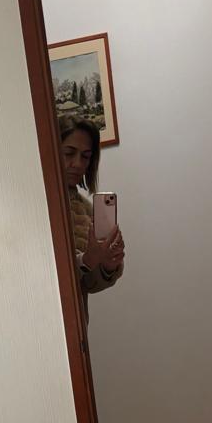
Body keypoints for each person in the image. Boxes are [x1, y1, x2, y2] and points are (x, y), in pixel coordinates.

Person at [59, 114, 125, 320]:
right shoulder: (37, 204)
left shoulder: (86, 211)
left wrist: (107, 265)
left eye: (86, 156)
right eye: (69, 153)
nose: (78, 164)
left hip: (76, 321)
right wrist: (86, 260)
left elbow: (87, 284)